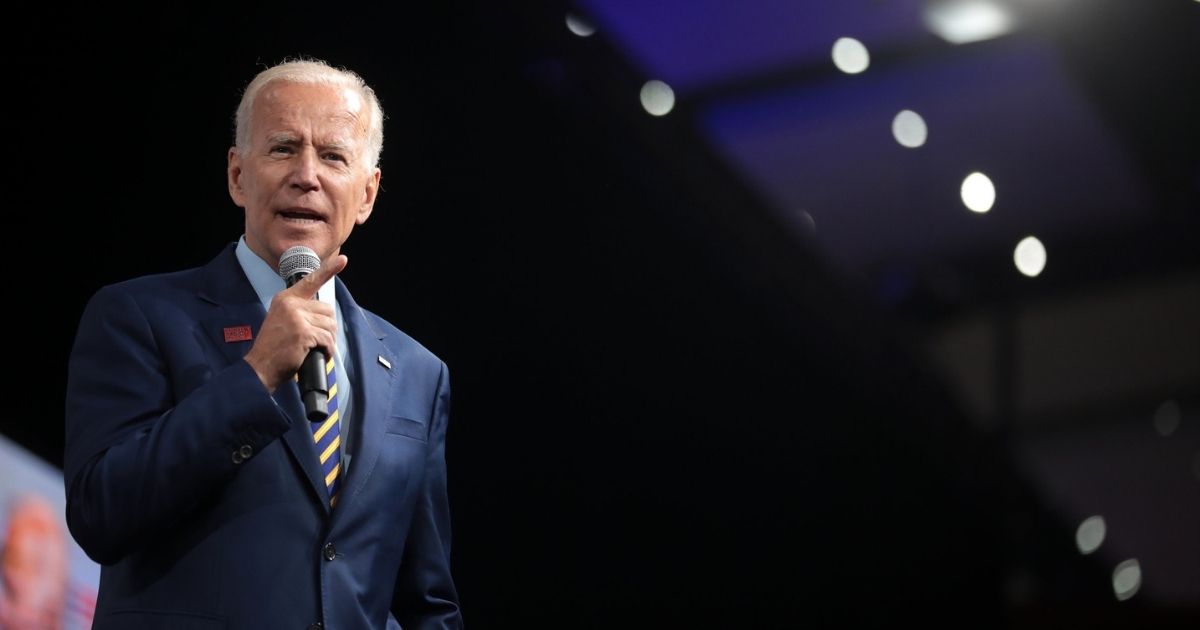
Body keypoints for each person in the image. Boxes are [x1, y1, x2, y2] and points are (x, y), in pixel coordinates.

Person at [64, 58, 461, 629]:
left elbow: (426, 601)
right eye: (282, 149)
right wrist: (255, 375)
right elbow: (101, 511)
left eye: (332, 156)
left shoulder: (418, 374)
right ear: (237, 176)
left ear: (368, 193)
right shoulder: (141, 316)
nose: (307, 175)